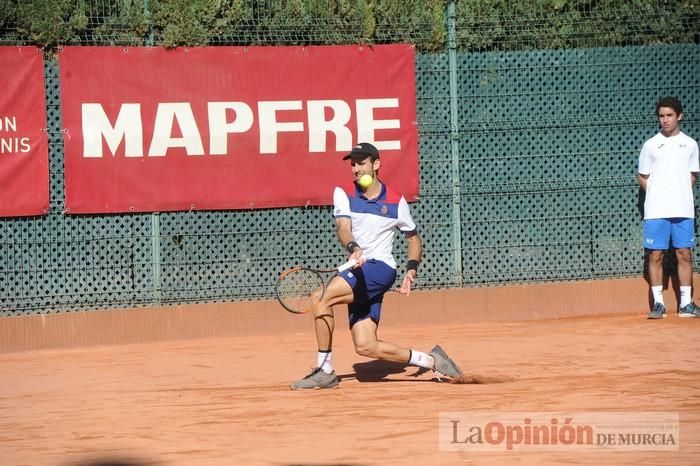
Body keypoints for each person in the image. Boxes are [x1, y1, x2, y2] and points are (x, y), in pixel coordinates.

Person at [290, 142, 463, 389]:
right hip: (357, 269)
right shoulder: (343, 194)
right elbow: (343, 229)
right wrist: (354, 248)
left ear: (376, 164)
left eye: (362, 163)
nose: (356, 169)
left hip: (381, 269)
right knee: (366, 345)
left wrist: (411, 269)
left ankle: (324, 370)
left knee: (320, 297)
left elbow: (413, 238)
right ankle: (431, 360)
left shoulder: (396, 202)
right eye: (353, 164)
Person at [638, 96, 700, 319]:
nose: (665, 120)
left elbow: (693, 175)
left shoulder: (690, 144)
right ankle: (658, 305)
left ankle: (686, 305)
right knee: (655, 255)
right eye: (662, 116)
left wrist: (678, 193)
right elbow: (643, 177)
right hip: (656, 211)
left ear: (679, 116)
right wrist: (657, 194)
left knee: (684, 253)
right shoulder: (651, 145)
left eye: (669, 115)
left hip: (683, 210)